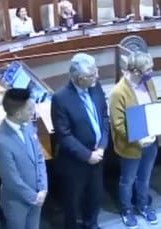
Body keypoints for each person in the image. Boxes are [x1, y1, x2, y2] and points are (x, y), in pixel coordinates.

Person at [51, 53, 109, 229]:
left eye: (96, 72)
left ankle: (92, 224)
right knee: (72, 201)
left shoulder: (95, 86)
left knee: (95, 196)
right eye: (92, 75)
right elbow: (64, 135)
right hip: (75, 162)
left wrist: (102, 146)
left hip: (98, 156)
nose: (96, 77)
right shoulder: (60, 98)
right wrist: (87, 155)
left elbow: (104, 118)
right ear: (78, 78)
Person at [109, 51, 161, 229]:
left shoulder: (149, 83)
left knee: (144, 179)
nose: (151, 72)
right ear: (136, 71)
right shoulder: (118, 92)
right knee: (128, 180)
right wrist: (136, 140)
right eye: (149, 69)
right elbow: (118, 125)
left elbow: (155, 106)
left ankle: (143, 205)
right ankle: (127, 209)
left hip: (151, 142)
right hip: (132, 146)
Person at [0, 88, 48, 229]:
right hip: (17, 203)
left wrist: (43, 188)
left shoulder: (27, 125)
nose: (32, 112)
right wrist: (34, 197)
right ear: (17, 114)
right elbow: (11, 179)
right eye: (29, 109)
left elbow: (39, 158)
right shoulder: (0, 141)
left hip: (37, 195)